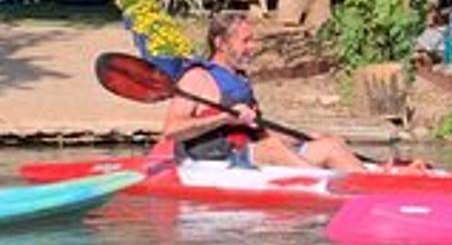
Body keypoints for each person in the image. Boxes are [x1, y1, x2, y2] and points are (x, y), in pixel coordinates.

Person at [153, 12, 364, 172]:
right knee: (272, 149)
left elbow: (260, 130)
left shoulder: (239, 79)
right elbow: (172, 130)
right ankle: (321, 185)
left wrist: (308, 137)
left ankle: (376, 186)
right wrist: (223, 118)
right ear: (221, 44)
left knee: (331, 144)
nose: (252, 47)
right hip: (217, 162)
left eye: (252, 40)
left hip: (250, 152)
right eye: (245, 41)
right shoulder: (197, 78)